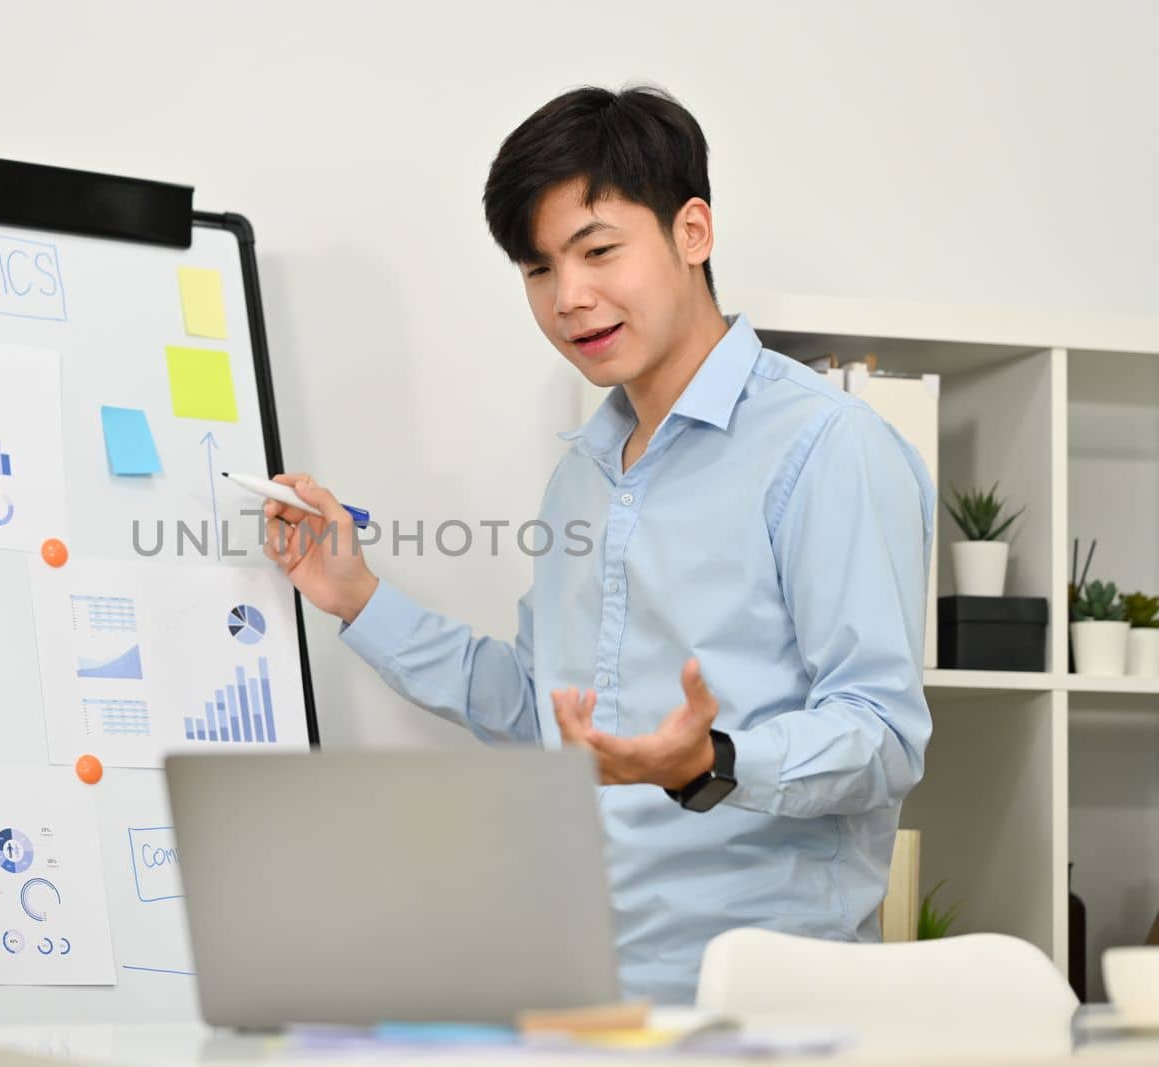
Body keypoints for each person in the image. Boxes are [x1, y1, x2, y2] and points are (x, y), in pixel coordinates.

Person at [260, 84, 935, 1003]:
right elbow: (540, 710)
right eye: (539, 270)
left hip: (761, 1001)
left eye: (599, 250)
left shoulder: (827, 447)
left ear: (692, 232)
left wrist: (711, 763)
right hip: (584, 991)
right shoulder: (584, 473)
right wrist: (359, 599)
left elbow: (886, 735)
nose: (569, 298)